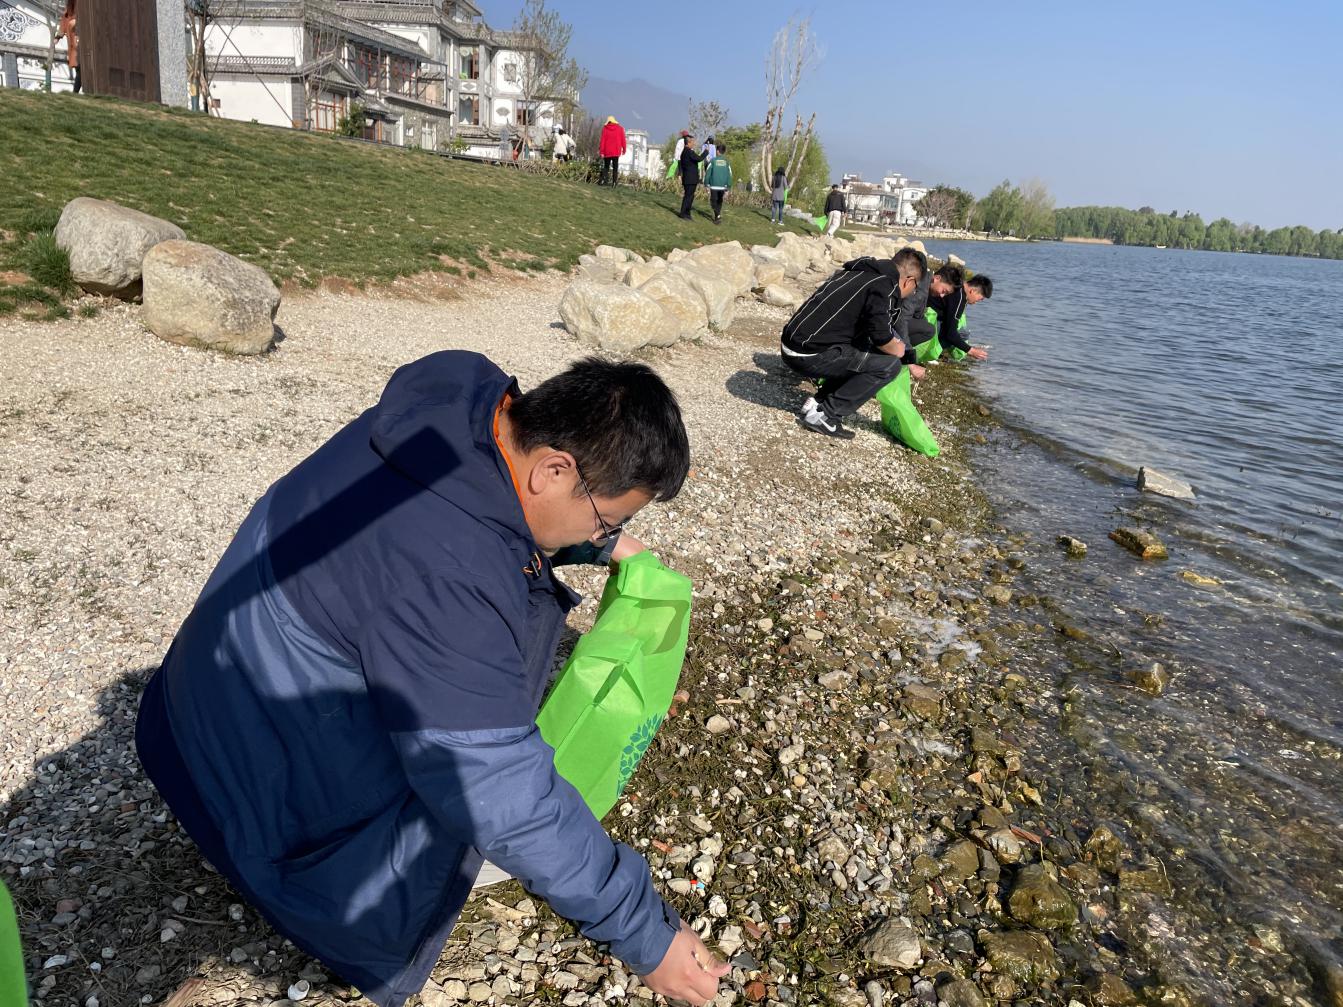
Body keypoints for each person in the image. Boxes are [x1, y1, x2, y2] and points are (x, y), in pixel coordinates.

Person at [134, 352, 729, 1007]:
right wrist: (645, 934)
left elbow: (481, 519)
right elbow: (499, 788)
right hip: (240, 778)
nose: (609, 531)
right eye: (607, 518)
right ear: (554, 469)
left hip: (190, 705)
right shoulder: (449, 577)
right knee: (477, 815)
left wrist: (593, 542)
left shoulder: (460, 405)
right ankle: (296, 877)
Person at [779, 247, 928, 439]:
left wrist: (904, 352)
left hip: (792, 344)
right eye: (915, 289)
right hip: (807, 354)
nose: (911, 293)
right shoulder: (885, 285)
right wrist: (900, 351)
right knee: (889, 366)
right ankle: (826, 415)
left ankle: (818, 402)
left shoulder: (859, 271)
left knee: (865, 349)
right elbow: (881, 337)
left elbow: (875, 328)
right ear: (909, 280)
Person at [928, 270, 993, 360]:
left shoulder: (958, 286)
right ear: (973, 291)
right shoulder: (959, 298)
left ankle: (934, 350)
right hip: (926, 319)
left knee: (962, 332)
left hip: (927, 314)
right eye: (980, 299)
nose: (977, 302)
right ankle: (928, 352)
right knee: (959, 335)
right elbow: (950, 333)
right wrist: (971, 350)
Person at [676, 133, 708, 220]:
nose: (694, 144)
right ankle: (683, 213)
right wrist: (706, 152)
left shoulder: (684, 152)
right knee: (688, 196)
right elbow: (699, 158)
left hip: (688, 178)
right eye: (692, 142)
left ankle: (687, 213)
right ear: (688, 143)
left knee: (690, 196)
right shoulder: (689, 152)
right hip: (690, 178)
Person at [702, 144, 733, 225]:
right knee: (719, 201)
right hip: (723, 186)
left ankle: (717, 215)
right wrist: (728, 185)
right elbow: (730, 174)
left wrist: (706, 183)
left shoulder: (713, 161)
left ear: (718, 151)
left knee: (713, 201)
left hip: (714, 185)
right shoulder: (727, 162)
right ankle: (717, 216)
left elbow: (708, 172)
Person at [56, 0, 79, 93]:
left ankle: (75, 92)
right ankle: (75, 92)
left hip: (81, 43)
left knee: (81, 69)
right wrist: (58, 37)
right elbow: (64, 23)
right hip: (73, 45)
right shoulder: (69, 10)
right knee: (79, 69)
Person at [598, 116, 626, 185]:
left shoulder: (605, 129)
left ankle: (604, 181)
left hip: (607, 151)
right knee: (615, 167)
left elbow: (602, 141)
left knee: (606, 167)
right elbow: (623, 140)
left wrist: (601, 151)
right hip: (616, 151)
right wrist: (624, 149)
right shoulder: (620, 128)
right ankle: (614, 182)